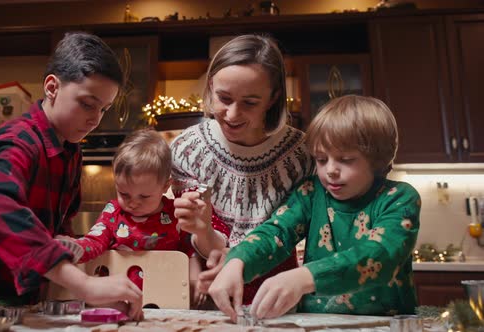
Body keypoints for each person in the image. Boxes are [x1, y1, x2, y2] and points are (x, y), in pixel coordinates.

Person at [0, 32, 143, 320]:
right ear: (52, 87)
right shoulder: (17, 139)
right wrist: (84, 285)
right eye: (88, 103)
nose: (95, 119)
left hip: (25, 302)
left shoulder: (71, 151)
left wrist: (70, 247)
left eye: (104, 109)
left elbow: (61, 231)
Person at [209, 95, 421, 321]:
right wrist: (237, 261)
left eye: (345, 160)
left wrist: (303, 277)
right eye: (321, 159)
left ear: (378, 160)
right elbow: (275, 232)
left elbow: (381, 254)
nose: (330, 170)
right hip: (315, 323)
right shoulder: (311, 192)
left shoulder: (398, 198)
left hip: (385, 325)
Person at [171, 34, 315, 304]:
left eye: (250, 103)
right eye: (223, 98)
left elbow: (288, 231)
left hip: (276, 298)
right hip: (210, 295)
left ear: (273, 98)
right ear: (210, 85)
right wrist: (202, 229)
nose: (233, 114)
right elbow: (200, 241)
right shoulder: (188, 150)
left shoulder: (302, 155)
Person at [70, 129, 201, 298]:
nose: (133, 203)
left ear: (165, 186)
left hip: (167, 296)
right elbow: (95, 241)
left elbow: (190, 248)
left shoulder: (175, 213)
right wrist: (75, 249)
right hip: (119, 298)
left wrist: (193, 278)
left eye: (144, 196)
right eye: (124, 194)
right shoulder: (114, 212)